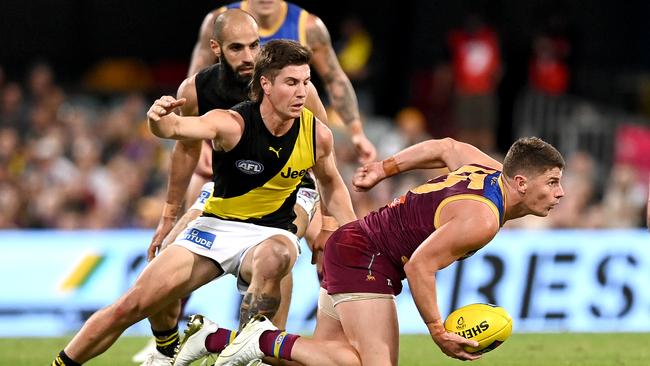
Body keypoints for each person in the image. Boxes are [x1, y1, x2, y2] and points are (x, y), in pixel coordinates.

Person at [50, 39, 356, 366]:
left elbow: (331, 184)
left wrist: (346, 232)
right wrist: (157, 119)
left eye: (306, 82)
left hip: (271, 232)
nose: (301, 92)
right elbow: (178, 127)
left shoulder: (317, 134)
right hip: (214, 227)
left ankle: (237, 348)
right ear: (265, 84)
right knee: (130, 307)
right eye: (291, 83)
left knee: (279, 255)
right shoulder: (232, 123)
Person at [173, 136, 565, 366]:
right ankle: (253, 339)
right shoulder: (482, 219)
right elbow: (422, 266)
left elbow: (446, 147)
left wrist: (385, 167)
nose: (559, 193)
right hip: (366, 257)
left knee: (319, 358)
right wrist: (437, 331)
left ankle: (211, 339)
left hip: (356, 245)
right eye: (551, 183)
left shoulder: (487, 171)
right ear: (520, 182)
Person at [133, 10, 331, 365]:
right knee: (162, 270)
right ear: (217, 48)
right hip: (227, 190)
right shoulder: (197, 89)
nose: (249, 56)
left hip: (292, 187)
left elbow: (321, 151)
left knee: (282, 253)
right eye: (237, 47)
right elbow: (185, 148)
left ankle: (255, 346)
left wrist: (328, 224)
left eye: (255, 45)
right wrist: (169, 213)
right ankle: (169, 349)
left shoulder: (294, 85)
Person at [189, 0, 376, 167]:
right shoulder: (217, 21)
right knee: (197, 191)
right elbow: (196, 85)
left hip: (288, 143)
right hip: (231, 139)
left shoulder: (308, 26)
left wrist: (356, 132)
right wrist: (199, 141)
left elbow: (334, 79)